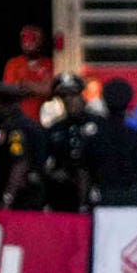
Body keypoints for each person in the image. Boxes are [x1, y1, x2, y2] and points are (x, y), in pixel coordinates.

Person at [82, 78, 137, 207]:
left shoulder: (94, 138)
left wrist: (83, 202)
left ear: (104, 102)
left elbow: (84, 174)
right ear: (129, 102)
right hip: (134, 199)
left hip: (103, 199)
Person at [43, 73, 95, 212]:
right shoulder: (55, 130)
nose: (68, 100)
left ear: (81, 95)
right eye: (63, 96)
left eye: (73, 95)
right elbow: (46, 163)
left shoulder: (98, 124)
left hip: (94, 196)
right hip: (63, 198)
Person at [0, 82, 45, 209]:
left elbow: (19, 164)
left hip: (20, 199)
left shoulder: (16, 128)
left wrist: (7, 198)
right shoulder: (6, 125)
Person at [2, 25, 53, 122]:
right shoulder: (13, 63)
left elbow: (50, 89)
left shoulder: (49, 64)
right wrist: (37, 87)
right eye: (24, 37)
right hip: (18, 122)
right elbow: (10, 90)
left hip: (44, 123)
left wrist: (25, 84)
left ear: (41, 40)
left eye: (33, 38)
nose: (28, 42)